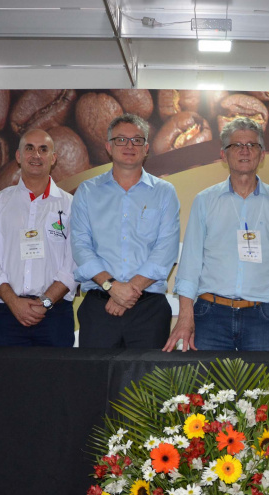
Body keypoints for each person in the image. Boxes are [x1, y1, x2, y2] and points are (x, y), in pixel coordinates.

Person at [163, 117, 269, 353]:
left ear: (262, 155)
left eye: (252, 145)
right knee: (207, 388)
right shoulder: (205, 200)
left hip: (264, 316)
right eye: (236, 145)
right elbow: (190, 265)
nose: (245, 151)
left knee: (261, 390)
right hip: (210, 314)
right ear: (223, 155)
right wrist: (186, 318)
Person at [71, 114, 180, 348]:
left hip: (149, 309)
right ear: (109, 147)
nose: (129, 146)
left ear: (147, 148)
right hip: (99, 306)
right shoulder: (87, 191)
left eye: (137, 140)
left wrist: (128, 292)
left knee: (149, 383)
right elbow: (81, 247)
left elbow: (166, 250)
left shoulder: (164, 192)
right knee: (95, 382)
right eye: (121, 140)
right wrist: (112, 287)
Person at [0, 129, 77, 346]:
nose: (36, 155)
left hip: (55, 315)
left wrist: (45, 302)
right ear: (18, 156)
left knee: (56, 379)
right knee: (9, 380)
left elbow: (74, 262)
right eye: (29, 148)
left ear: (53, 158)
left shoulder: (70, 205)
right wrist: (14, 303)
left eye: (43, 149)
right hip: (8, 313)